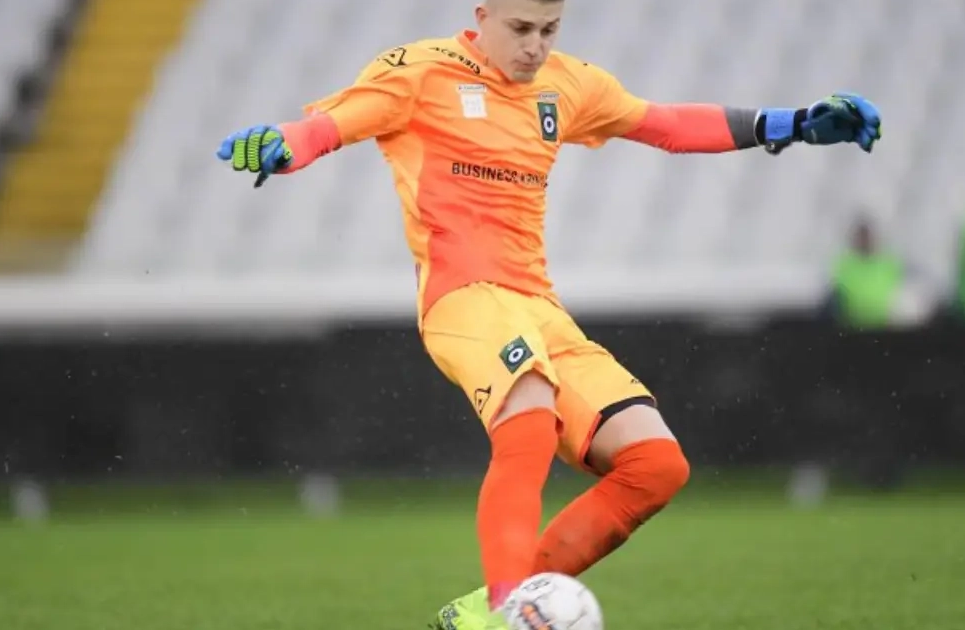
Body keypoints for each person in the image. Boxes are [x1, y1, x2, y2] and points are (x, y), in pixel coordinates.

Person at [215, 0, 882, 627]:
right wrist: (284, 145)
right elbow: (330, 126)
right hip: (463, 296)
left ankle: (483, 614)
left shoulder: (569, 85)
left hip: (539, 307)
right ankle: (512, 613)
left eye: (549, 29)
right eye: (521, 28)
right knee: (530, 413)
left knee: (656, 465)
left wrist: (794, 123)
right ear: (482, 16)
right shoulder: (419, 71)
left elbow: (667, 125)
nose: (535, 46)